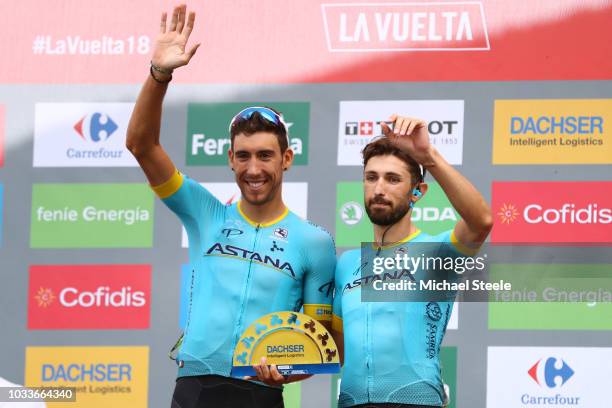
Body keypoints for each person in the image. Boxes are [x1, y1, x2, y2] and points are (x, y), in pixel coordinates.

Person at [126, 5, 336, 407]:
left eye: (264, 156)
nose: (253, 169)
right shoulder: (206, 213)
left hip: (261, 393)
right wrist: (159, 74)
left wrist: (290, 371)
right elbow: (141, 145)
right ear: (230, 159)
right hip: (195, 388)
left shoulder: (315, 242)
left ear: (286, 159)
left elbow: (318, 345)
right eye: (243, 156)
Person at [332, 115, 493, 408]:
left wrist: (428, 156)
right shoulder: (347, 263)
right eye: (371, 177)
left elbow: (481, 221)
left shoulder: (437, 252)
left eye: (393, 179)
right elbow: (336, 350)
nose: (379, 188)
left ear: (417, 191)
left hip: (416, 402)